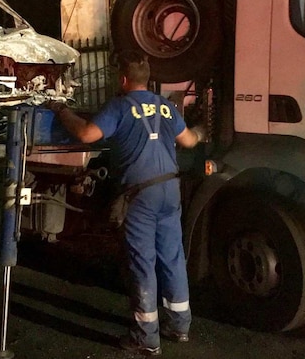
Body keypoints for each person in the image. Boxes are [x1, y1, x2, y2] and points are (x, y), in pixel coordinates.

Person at [48, 50, 204, 356]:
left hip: (140, 195)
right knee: (172, 257)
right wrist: (200, 130)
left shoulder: (119, 106)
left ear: (122, 79)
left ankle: (146, 337)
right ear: (148, 80)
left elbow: (87, 134)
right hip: (170, 189)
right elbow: (189, 141)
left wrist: (60, 110)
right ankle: (179, 325)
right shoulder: (165, 106)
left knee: (142, 262)